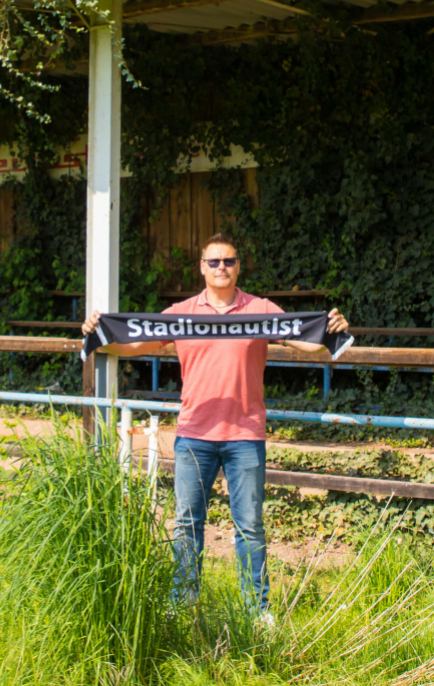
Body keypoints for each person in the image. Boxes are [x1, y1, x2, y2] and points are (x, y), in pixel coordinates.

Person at [81, 232, 349, 614]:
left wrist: (330, 329)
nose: (221, 268)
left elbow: (305, 341)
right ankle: (183, 604)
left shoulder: (261, 310)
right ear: (202, 268)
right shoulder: (182, 313)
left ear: (239, 266)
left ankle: (256, 611)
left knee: (250, 528)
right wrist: (99, 333)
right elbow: (135, 343)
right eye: (214, 262)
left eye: (229, 261)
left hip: (245, 435)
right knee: (188, 525)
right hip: (194, 434)